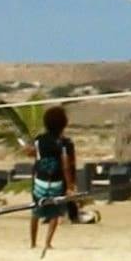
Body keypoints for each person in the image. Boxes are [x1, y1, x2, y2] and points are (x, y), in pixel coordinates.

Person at [25, 106, 79, 252]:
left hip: (39, 181)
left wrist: (27, 149)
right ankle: (48, 242)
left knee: (36, 211)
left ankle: (33, 243)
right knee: (55, 212)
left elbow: (32, 154)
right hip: (56, 181)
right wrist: (70, 186)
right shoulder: (64, 143)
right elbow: (66, 166)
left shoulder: (39, 140)